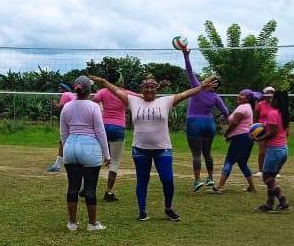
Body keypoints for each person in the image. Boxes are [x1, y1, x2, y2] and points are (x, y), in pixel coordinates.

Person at [91, 72, 219, 222]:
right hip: (140, 149)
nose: (149, 90)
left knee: (168, 180)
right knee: (142, 180)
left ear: (156, 89)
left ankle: (168, 207)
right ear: (141, 88)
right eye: (146, 87)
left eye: (152, 87)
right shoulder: (132, 100)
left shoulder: (166, 101)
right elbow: (116, 90)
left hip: (162, 149)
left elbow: (185, 94)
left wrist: (202, 87)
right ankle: (142, 211)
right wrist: (104, 81)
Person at [60, 76, 110, 231]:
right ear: (90, 90)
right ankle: (92, 223)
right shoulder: (94, 106)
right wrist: (106, 154)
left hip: (70, 146)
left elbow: (63, 132)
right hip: (89, 147)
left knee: (72, 187)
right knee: (90, 188)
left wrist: (67, 147)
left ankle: (72, 223)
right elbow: (100, 131)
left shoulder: (67, 106)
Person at [180, 47, 229, 192]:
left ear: (209, 82)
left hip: (195, 123)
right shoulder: (215, 97)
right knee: (207, 153)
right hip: (209, 124)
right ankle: (210, 177)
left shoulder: (198, 87)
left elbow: (189, 71)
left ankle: (197, 181)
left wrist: (186, 56)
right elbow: (226, 112)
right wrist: (227, 124)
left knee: (196, 154)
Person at [91, 69, 138, 202]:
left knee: (96, 160)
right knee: (115, 162)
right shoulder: (125, 93)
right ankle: (109, 192)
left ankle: (87, 187)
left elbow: (92, 102)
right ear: (119, 80)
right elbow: (141, 97)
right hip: (118, 128)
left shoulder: (103, 92)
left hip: (103, 127)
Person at [211, 89, 260, 194]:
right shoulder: (248, 107)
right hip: (247, 138)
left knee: (229, 160)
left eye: (242, 95)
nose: (239, 95)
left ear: (247, 98)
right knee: (242, 163)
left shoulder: (242, 108)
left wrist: (227, 133)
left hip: (240, 138)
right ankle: (251, 187)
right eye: (239, 93)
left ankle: (220, 186)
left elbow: (234, 123)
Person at [253, 91, 290, 212]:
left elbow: (272, 132)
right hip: (283, 149)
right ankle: (269, 204)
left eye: (273, 99)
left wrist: (259, 138)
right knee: (271, 177)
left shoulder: (273, 113)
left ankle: (283, 200)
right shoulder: (283, 114)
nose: (271, 100)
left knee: (266, 178)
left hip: (275, 150)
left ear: (277, 101)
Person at [46, 83, 76, 172]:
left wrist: (53, 102)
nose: (58, 90)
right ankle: (59, 163)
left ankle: (58, 165)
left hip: (69, 121)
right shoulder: (72, 95)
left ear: (64, 89)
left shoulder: (65, 94)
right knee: (64, 142)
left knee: (63, 142)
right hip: (74, 120)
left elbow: (60, 108)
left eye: (60, 88)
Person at [254, 86, 275, 177]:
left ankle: (274, 171)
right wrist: (255, 128)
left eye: (271, 94)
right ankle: (261, 170)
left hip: (273, 129)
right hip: (262, 129)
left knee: (273, 151)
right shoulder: (260, 104)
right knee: (262, 151)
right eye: (267, 94)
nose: (269, 96)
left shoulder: (277, 105)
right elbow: (256, 117)